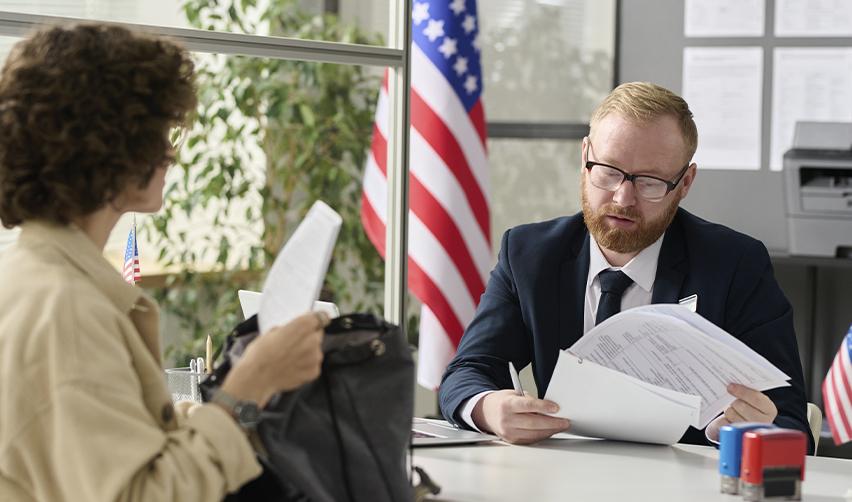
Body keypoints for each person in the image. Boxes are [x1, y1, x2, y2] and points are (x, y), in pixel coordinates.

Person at [0, 24, 326, 501]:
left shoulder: (34, 276)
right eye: (156, 133)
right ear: (110, 149)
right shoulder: (66, 310)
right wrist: (249, 386)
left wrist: (200, 416)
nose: (170, 152)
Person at [439, 82, 812, 452]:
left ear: (684, 183)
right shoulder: (529, 254)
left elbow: (790, 419)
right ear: (585, 157)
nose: (623, 198)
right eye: (608, 171)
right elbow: (467, 372)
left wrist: (743, 430)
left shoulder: (735, 265)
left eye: (650, 182)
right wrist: (489, 408)